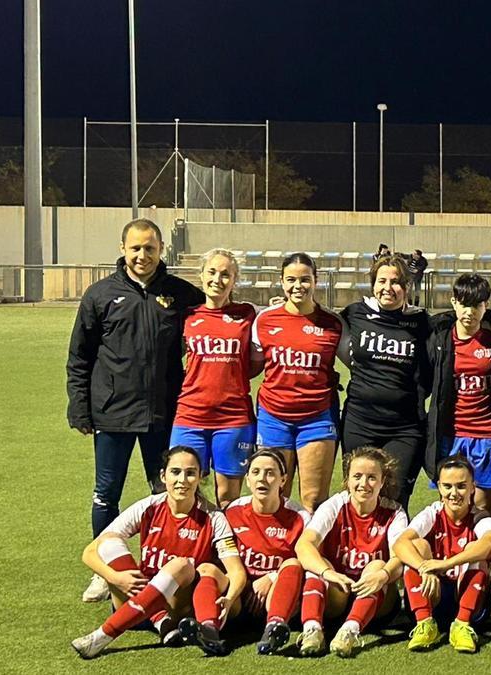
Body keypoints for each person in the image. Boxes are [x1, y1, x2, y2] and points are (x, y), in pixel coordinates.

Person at [66, 219, 204, 602]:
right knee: (106, 494)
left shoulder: (180, 295)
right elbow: (80, 356)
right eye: (136, 249)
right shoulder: (100, 295)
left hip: (164, 413)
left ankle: (164, 564)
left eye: (150, 248)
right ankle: (104, 571)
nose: (143, 256)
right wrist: (80, 408)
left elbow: (215, 315)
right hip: (112, 413)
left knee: (164, 492)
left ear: (162, 249)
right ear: (123, 248)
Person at [70, 446, 246, 659]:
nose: (182, 480)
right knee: (108, 542)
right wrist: (115, 578)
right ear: (163, 476)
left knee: (181, 565)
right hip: (138, 597)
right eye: (175, 472)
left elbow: (235, 570)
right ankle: (161, 622)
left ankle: (103, 635)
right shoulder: (149, 506)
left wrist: (229, 598)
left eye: (190, 473)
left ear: (200, 477)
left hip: (181, 605)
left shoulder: (213, 517)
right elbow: (89, 552)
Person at [253, 253, 346, 512]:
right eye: (291, 280)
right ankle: (278, 552)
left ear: (315, 282)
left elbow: (357, 362)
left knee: (314, 500)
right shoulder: (264, 320)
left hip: (317, 418)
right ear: (281, 282)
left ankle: (309, 552)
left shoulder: (333, 323)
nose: (298, 286)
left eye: (305, 280)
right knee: (275, 497)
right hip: (273, 416)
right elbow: (250, 365)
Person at [295, 446, 408, 657]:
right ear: (347, 480)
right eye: (357, 476)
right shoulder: (335, 505)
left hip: (377, 601)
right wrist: (327, 573)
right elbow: (304, 545)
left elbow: (400, 557)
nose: (364, 484)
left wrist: (382, 576)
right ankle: (312, 629)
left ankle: (349, 632)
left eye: (372, 477)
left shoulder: (394, 512)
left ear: (383, 481)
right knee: (318, 565)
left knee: (377, 566)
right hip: (337, 594)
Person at [339, 254, 432, 508]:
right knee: (357, 496)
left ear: (407, 286)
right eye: (382, 281)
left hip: (404, 428)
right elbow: (321, 327)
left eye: (396, 282)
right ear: (372, 284)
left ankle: (394, 549)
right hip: (359, 423)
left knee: (394, 498)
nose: (388, 288)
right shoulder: (355, 313)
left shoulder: (422, 322)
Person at [170, 248, 260, 507]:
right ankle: (195, 545)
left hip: (233, 418)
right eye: (211, 272)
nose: (217, 280)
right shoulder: (187, 316)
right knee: (183, 492)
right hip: (190, 416)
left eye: (225, 274)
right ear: (201, 275)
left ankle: (227, 546)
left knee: (227, 497)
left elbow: (255, 362)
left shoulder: (247, 314)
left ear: (234, 280)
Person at [426, 273, 491, 514]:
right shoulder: (439, 338)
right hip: (451, 435)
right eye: (464, 304)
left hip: (485, 436)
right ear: (454, 302)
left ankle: (486, 553)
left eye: (476, 305)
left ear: (486, 306)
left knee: (484, 507)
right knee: (451, 507)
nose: (470, 312)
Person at [394, 457, 491, 654]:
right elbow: (401, 543)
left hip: (471, 603)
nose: (454, 493)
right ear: (439, 488)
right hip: (431, 595)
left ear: (472, 488)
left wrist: (445, 564)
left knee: (476, 550)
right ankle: (424, 623)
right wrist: (424, 568)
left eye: (461, 486)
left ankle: (462, 625)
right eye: (447, 486)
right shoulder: (432, 513)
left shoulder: (480, 516)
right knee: (417, 545)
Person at [221, 449, 310, 656]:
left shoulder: (299, 517)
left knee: (293, 565)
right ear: (248, 479)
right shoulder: (233, 512)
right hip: (240, 596)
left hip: (276, 597)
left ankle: (274, 628)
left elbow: (307, 558)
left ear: (283, 480)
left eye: (270, 473)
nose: (262, 478)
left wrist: (271, 576)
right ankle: (208, 626)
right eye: (256, 472)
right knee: (209, 570)